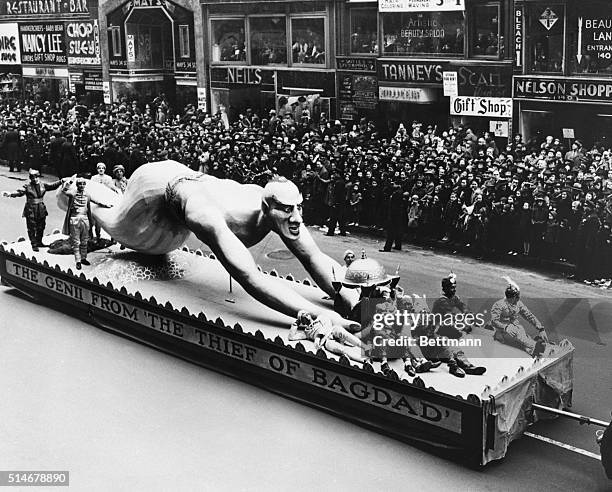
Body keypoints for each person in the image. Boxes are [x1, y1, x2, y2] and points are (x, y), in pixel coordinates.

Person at [58, 161, 357, 329]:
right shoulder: (209, 216)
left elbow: (313, 256)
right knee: (116, 222)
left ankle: (83, 191)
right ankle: (79, 190)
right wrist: (321, 315)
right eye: (287, 210)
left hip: (185, 177)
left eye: (299, 209)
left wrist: (352, 299)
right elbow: (250, 278)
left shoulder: (282, 206)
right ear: (267, 208)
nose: (295, 218)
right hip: (153, 195)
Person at [2, 169, 64, 251]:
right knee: (31, 227)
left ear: (38, 177)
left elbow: (52, 186)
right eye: (32, 178)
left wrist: (61, 181)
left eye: (36, 177)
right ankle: (34, 244)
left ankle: (39, 242)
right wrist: (10, 194)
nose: (34, 179)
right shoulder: (27, 187)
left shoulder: (43, 185)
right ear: (30, 179)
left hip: (41, 208)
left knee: (41, 226)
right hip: (31, 209)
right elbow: (20, 192)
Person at [61, 176, 113, 270]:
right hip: (75, 218)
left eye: (83, 184)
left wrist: (105, 205)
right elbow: (64, 190)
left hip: (85, 219)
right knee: (76, 242)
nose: (81, 185)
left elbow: (95, 202)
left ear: (85, 185)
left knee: (85, 241)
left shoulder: (87, 195)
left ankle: (83, 258)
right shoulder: (72, 194)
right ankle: (78, 261)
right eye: (79, 183)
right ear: (77, 185)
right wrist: (70, 182)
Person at [490, 276, 548, 357]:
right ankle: (534, 346)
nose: (518, 298)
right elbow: (494, 321)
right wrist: (505, 327)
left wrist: (540, 328)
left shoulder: (518, 304)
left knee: (521, 333)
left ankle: (532, 350)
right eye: (516, 297)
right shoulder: (498, 305)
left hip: (516, 327)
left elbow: (529, 316)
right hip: (503, 331)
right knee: (517, 334)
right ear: (511, 297)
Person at [288, 311, 365, 363]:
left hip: (332, 331)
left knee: (346, 335)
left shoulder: (320, 318)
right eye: (303, 317)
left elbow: (327, 323)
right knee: (341, 350)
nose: (307, 317)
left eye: (306, 314)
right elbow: (291, 337)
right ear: (302, 321)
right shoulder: (306, 333)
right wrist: (295, 325)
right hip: (326, 341)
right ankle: (363, 360)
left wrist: (318, 336)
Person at [431, 273, 473, 338]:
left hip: (447, 325)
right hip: (437, 329)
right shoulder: (442, 301)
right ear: (446, 288)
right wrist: (465, 324)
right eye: (452, 288)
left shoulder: (454, 298)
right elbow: (450, 316)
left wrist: (469, 315)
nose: (454, 290)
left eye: (455, 287)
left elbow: (463, 307)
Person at [90, 162, 118, 240]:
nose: (101, 170)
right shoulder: (94, 178)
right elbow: (91, 187)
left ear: (105, 169)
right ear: (97, 169)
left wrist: (116, 190)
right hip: (96, 199)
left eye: (102, 168)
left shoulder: (108, 178)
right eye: (99, 168)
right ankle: (97, 236)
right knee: (96, 220)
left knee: (109, 218)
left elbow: (111, 186)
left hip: (106, 199)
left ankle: (113, 238)